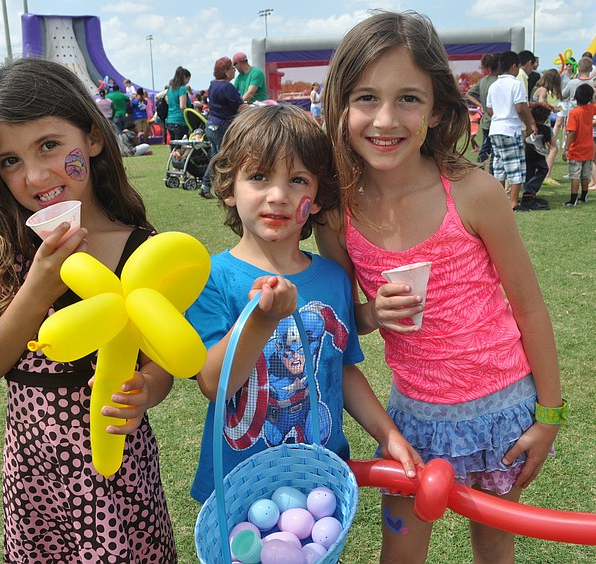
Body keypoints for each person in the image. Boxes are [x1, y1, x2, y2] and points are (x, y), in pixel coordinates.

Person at [317, 12, 563, 563]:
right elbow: (342, 326)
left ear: (436, 109)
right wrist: (373, 312)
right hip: (412, 425)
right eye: (365, 98)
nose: (386, 119)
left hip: (505, 413)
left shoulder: (474, 193)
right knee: (399, 554)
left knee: (494, 547)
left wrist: (548, 416)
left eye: (408, 98)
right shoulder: (337, 214)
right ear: (340, 107)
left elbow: (530, 310)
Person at [0, 58, 176, 562]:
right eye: (9, 161)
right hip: (33, 477)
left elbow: (161, 362)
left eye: (50, 146)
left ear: (93, 139)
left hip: (116, 471)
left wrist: (146, 391)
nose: (36, 175)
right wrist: (36, 288)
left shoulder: (139, 248)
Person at [185, 103, 422, 504]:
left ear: (314, 199)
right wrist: (262, 319)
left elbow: (341, 371)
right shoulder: (212, 277)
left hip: (319, 483)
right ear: (228, 189)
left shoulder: (332, 278)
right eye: (258, 177)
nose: (278, 196)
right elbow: (213, 383)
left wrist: (388, 434)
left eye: (297, 180)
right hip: (239, 485)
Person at [486, 50, 538, 211]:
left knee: (499, 166)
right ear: (514, 66)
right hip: (510, 129)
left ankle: (499, 200)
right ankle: (513, 201)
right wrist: (531, 124)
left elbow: (489, 109)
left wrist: (500, 115)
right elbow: (520, 107)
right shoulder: (516, 84)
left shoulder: (494, 85)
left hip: (495, 129)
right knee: (516, 167)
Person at [199, 56, 247, 199]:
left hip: (211, 125)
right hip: (222, 126)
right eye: (232, 68)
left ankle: (205, 185)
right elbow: (239, 107)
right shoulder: (227, 87)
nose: (234, 71)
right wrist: (256, 110)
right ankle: (224, 189)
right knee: (225, 159)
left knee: (216, 157)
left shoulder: (212, 85)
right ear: (226, 71)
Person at [562, 83, 596, 206]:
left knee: (574, 174)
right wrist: (591, 97)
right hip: (588, 147)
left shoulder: (574, 113)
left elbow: (571, 132)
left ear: (575, 97)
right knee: (585, 174)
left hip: (576, 148)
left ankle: (573, 199)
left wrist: (566, 148)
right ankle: (584, 195)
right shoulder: (591, 109)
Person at [530, 69, 564, 186]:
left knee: (538, 149)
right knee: (554, 148)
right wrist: (552, 108)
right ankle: (547, 175)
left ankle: (538, 173)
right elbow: (541, 104)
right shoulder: (543, 90)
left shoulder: (536, 88)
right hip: (542, 123)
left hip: (536, 122)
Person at [465, 53, 499, 166]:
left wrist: (481, 105)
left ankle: (480, 170)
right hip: (495, 121)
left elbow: (469, 95)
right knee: (492, 151)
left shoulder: (483, 81)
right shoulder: (498, 82)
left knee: (485, 149)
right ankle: (485, 172)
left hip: (485, 121)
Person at [519, 103, 552, 210]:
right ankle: (529, 192)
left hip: (527, 154)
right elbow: (549, 143)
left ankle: (529, 195)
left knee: (529, 173)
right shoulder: (546, 129)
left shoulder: (529, 127)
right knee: (544, 169)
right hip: (538, 155)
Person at [165, 66, 193, 142]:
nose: (188, 82)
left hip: (170, 120)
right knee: (180, 147)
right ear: (184, 77)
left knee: (174, 146)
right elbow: (182, 106)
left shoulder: (170, 89)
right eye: (188, 79)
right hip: (179, 121)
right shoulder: (182, 89)